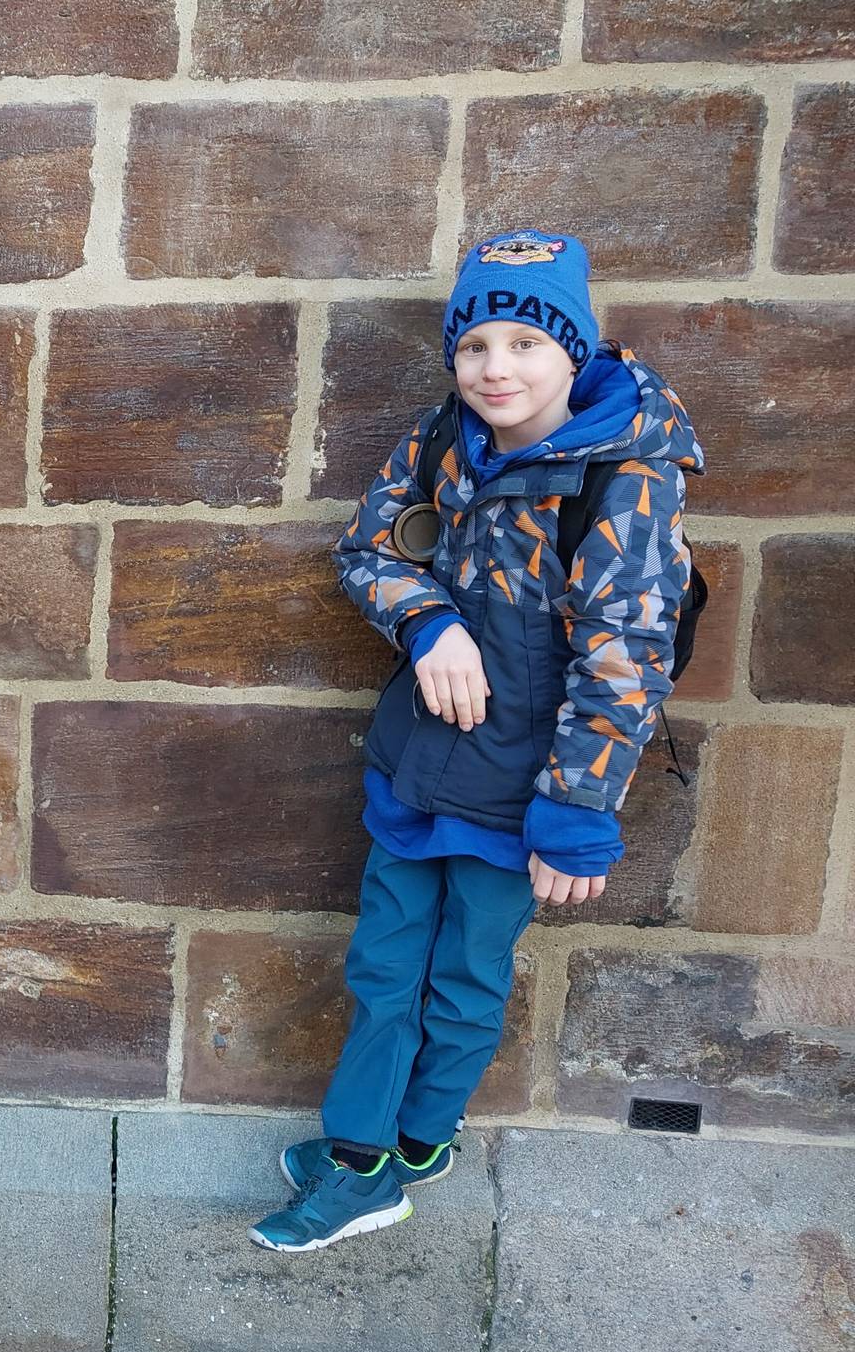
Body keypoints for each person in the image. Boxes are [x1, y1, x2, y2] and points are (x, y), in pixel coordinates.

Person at [251, 231, 703, 1252]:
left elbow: (626, 656)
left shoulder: (626, 478)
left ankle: (406, 1150)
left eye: (525, 344)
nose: (496, 369)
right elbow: (368, 547)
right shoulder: (443, 437)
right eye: (474, 346)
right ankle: (364, 1152)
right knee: (384, 967)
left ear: (574, 350)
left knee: (465, 977)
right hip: (420, 763)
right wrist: (427, 621)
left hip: (521, 787)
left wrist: (576, 811)